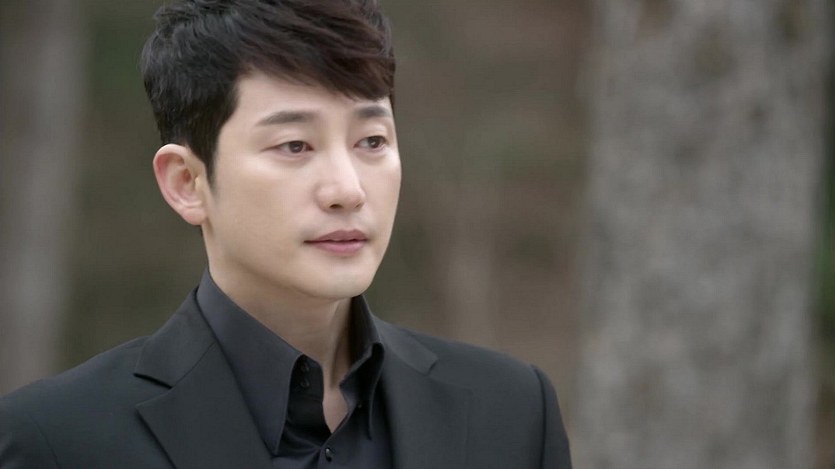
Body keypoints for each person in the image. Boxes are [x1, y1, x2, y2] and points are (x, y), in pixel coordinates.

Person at [0, 1, 572, 467]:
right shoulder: (56, 441)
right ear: (187, 182)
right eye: (294, 145)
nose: (347, 189)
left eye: (372, 141)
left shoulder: (511, 412)